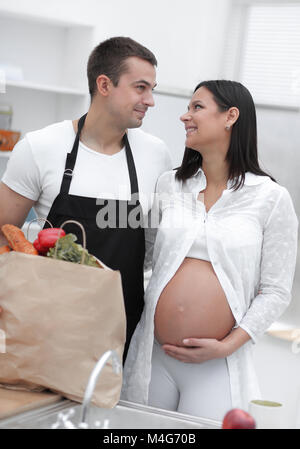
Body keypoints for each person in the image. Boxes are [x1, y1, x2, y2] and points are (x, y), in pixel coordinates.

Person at [121, 80, 298, 420]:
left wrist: (227, 345)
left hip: (217, 364)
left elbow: (275, 291)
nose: (185, 116)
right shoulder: (169, 184)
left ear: (231, 116)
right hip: (152, 355)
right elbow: (142, 254)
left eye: (197, 107)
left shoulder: (270, 198)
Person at [0, 36, 172, 360]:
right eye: (140, 87)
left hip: (122, 331)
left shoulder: (155, 155)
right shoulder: (41, 147)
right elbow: (3, 231)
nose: (150, 100)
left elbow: (153, 246)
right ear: (104, 84)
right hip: (47, 328)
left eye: (152, 89)